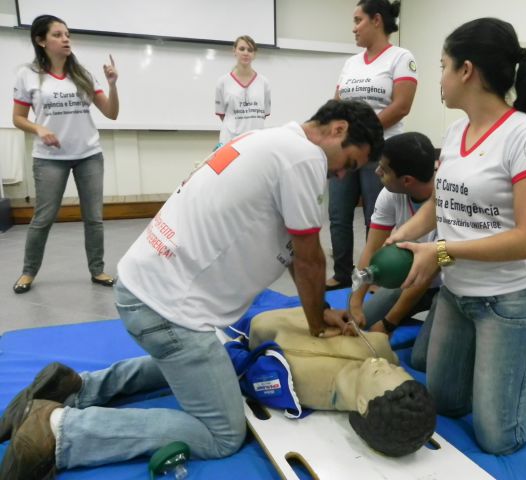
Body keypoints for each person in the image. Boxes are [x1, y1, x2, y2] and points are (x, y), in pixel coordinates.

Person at [0, 99, 384, 479]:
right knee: (223, 434)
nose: (341, 176)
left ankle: (75, 387)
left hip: (142, 284)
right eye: (348, 164)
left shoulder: (267, 139)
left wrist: (318, 310)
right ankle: (60, 430)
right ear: (339, 130)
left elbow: (294, 252)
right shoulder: (305, 158)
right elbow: (309, 258)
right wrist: (317, 321)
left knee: (206, 361)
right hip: (167, 311)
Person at [387, 18, 526, 455]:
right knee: (446, 403)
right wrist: (403, 234)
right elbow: (440, 202)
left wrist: (439, 251)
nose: (440, 78)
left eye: (443, 66)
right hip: (457, 296)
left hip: (509, 301)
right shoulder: (455, 132)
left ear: (466, 70)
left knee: (499, 436)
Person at [11, 14, 119, 294]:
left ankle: (97, 270)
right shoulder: (27, 74)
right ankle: (28, 272)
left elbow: (111, 113)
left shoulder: (83, 74)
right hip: (49, 159)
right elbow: (18, 118)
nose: (65, 39)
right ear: (41, 41)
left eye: (67, 34)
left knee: (93, 218)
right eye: (57, 35)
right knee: (43, 218)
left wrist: (112, 85)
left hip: (89, 155)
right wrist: (38, 128)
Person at [244, 306, 437, 457]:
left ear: (362, 404)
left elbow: (250, 345)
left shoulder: (293, 380)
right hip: (312, 306)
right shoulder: (380, 349)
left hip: (260, 316)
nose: (384, 363)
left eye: (378, 372)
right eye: (396, 369)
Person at [327, 0, 418, 290]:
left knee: (375, 217)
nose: (354, 28)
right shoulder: (351, 63)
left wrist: (362, 134)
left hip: (380, 150)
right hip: (346, 151)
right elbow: (337, 105)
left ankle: (374, 276)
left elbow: (401, 106)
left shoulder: (400, 57)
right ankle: (342, 274)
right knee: (338, 215)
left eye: (358, 20)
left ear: (376, 20)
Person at [331, 133, 440, 355]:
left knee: (422, 359)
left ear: (407, 180)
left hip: (444, 285)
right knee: (363, 323)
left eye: (384, 169)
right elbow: (372, 248)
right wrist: (355, 305)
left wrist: (389, 323)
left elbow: (427, 273)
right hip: (408, 280)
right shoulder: (391, 194)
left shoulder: (449, 200)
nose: (377, 172)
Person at [214, 35, 271, 147]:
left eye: (250, 50)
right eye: (242, 49)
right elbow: (222, 115)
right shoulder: (223, 82)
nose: (246, 53)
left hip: (256, 141)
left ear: (254, 54)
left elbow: (263, 114)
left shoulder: (264, 82)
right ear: (234, 51)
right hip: (230, 141)